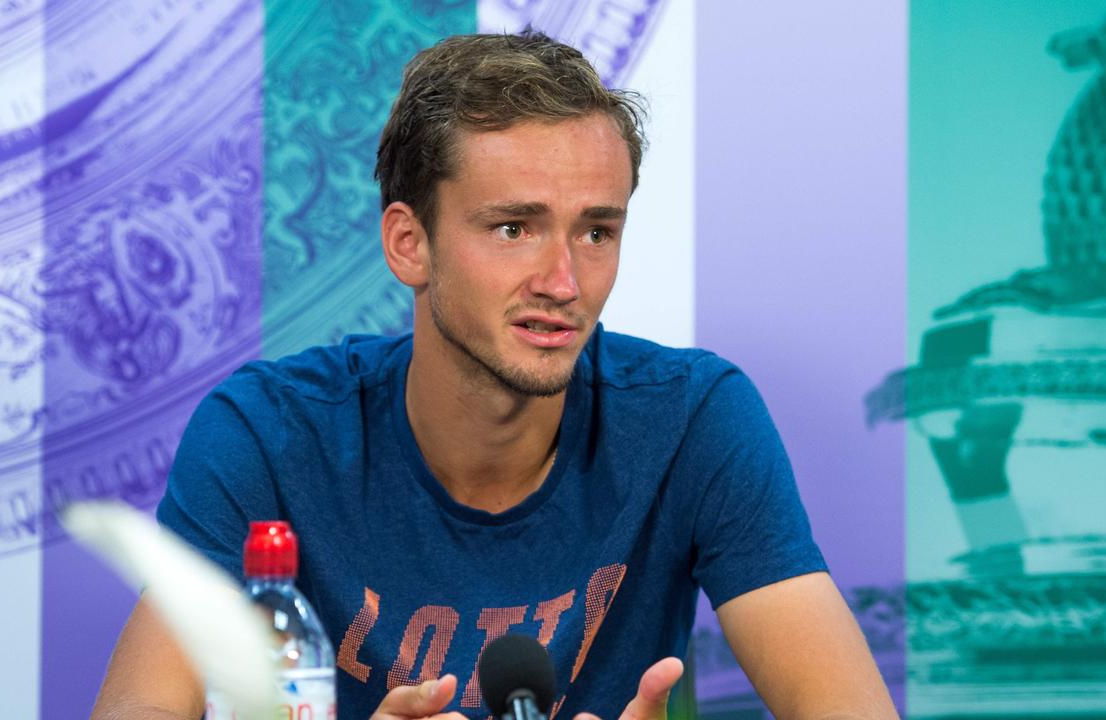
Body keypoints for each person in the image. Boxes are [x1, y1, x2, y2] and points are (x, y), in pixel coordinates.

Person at [93, 31, 897, 720]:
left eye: (596, 231)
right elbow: (142, 704)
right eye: (514, 227)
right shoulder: (268, 433)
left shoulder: (693, 421)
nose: (564, 280)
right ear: (410, 243)